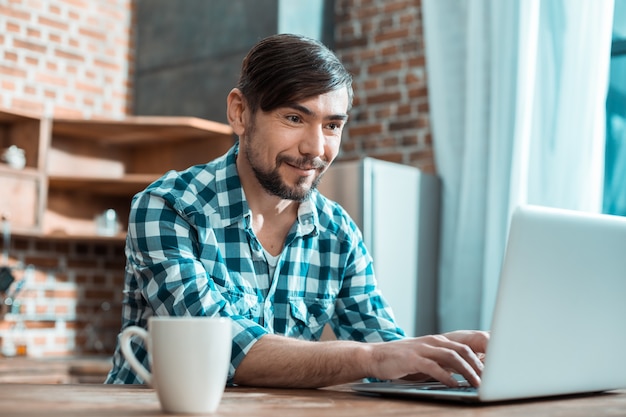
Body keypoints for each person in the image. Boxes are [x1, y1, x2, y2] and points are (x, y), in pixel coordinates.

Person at [105, 33, 488, 388]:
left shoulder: (338, 233)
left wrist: (447, 354)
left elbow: (383, 347)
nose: (315, 148)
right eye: (294, 118)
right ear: (240, 113)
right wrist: (373, 357)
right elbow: (224, 350)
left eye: (333, 125)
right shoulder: (169, 208)